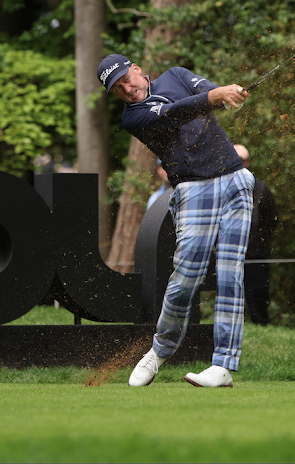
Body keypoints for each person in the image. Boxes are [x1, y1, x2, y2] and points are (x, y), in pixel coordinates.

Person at [97, 53, 253, 388]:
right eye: (117, 88)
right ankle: (159, 351)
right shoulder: (134, 117)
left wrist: (231, 94)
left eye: (126, 78)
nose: (126, 88)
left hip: (236, 180)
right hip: (194, 189)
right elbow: (174, 112)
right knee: (185, 279)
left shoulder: (177, 75)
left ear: (137, 69)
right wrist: (215, 96)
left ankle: (223, 365)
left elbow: (212, 96)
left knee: (231, 274)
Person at [233, 145, 278, 325]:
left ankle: (261, 324)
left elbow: (272, 220)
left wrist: (258, 242)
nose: (239, 164)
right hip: (229, 255)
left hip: (255, 255)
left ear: (248, 162)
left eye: (242, 160)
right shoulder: (221, 188)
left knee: (258, 293)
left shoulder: (261, 190)